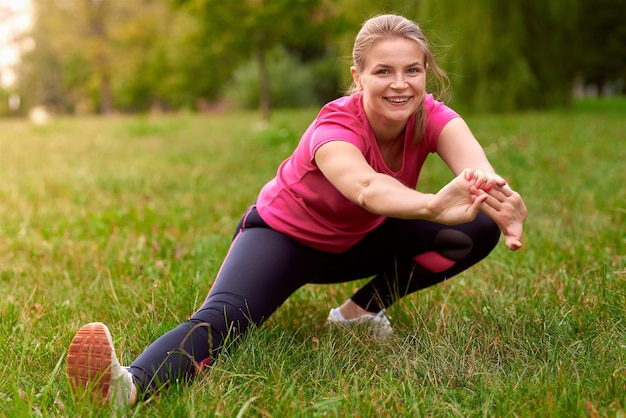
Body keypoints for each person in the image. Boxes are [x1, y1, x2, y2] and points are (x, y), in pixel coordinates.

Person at [66, 13, 527, 407]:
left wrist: (499, 199)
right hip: (282, 239)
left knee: (476, 229)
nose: (400, 84)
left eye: (412, 70)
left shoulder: (435, 117)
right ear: (358, 75)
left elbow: (478, 177)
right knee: (223, 321)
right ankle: (128, 387)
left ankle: (358, 315)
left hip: (358, 241)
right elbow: (366, 187)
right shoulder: (335, 126)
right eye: (383, 71)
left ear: (427, 71)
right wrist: (430, 205)